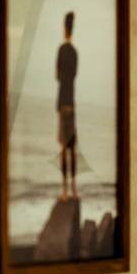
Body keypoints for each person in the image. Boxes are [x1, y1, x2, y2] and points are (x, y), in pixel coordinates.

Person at [56, 11, 79, 200]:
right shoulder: (74, 53)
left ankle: (65, 190)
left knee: (64, 147)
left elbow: (58, 76)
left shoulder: (62, 50)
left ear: (65, 28)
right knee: (73, 147)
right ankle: (74, 187)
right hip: (72, 102)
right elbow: (74, 76)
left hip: (62, 102)